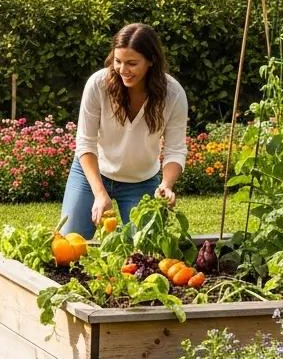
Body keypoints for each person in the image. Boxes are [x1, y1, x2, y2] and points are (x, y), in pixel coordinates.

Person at [60, 22, 188, 239]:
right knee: (70, 241)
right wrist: (100, 194)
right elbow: (85, 143)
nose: (123, 70)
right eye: (118, 61)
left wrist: (166, 185)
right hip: (92, 173)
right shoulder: (98, 84)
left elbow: (175, 149)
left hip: (142, 181)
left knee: (145, 249)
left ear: (151, 61)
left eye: (132, 63)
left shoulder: (173, 94)